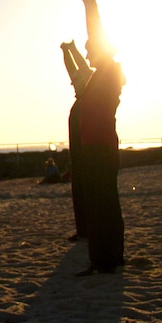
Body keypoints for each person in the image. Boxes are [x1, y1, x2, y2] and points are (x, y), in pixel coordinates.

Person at [76, 0, 125, 275]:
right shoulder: (101, 74)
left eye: (88, 48)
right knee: (105, 202)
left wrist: (90, 6)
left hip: (100, 148)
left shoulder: (108, 70)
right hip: (98, 147)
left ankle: (104, 260)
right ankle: (110, 257)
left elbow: (97, 34)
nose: (87, 52)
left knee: (100, 203)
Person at [61, 39, 92, 240]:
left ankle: (91, 230)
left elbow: (82, 67)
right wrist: (65, 51)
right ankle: (83, 231)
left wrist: (73, 49)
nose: (73, 83)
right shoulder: (78, 102)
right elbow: (71, 69)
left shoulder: (91, 97)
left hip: (90, 154)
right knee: (79, 192)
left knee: (90, 192)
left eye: (77, 81)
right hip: (78, 157)